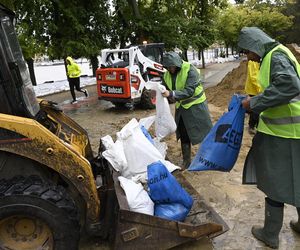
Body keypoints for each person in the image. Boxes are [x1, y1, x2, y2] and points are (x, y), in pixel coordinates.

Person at [239, 27, 300, 249]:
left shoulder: (276, 56)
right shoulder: (279, 54)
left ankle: (270, 234)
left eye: (247, 51)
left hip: (283, 133)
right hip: (295, 131)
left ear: (256, 44)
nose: (248, 57)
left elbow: (290, 85)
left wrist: (252, 104)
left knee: (274, 180)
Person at [161, 51, 212, 169]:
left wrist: (171, 93)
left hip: (196, 106)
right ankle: (186, 161)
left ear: (177, 64)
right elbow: (165, 88)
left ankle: (209, 157)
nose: (170, 69)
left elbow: (190, 91)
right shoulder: (166, 74)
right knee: (183, 133)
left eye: (172, 66)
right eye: (168, 67)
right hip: (182, 107)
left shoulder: (190, 70)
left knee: (203, 132)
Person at [244, 60, 261, 135]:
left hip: (255, 90)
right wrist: (260, 89)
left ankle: (252, 126)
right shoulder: (254, 61)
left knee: (254, 110)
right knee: (255, 111)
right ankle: (252, 126)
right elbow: (253, 77)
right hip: (253, 90)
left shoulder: (258, 61)